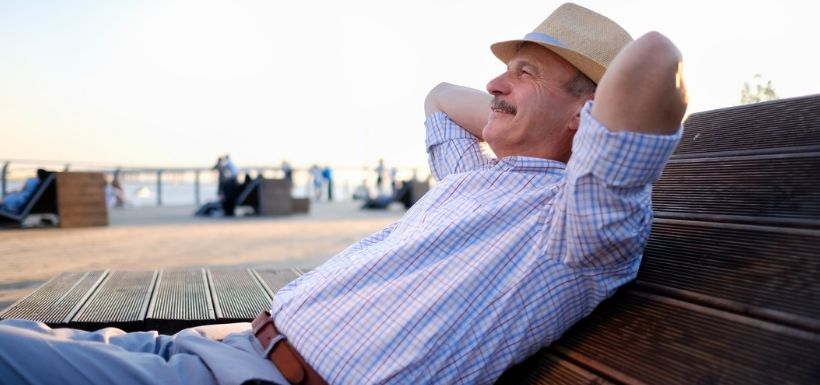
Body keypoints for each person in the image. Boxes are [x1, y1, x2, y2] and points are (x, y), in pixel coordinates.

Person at [0, 4, 687, 385]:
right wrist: (523, 111)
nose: (495, 87)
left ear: (589, 113)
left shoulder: (578, 226)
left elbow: (654, 58)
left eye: (523, 73)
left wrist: (560, 124)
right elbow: (438, 100)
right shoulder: (484, 183)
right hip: (218, 346)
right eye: (499, 76)